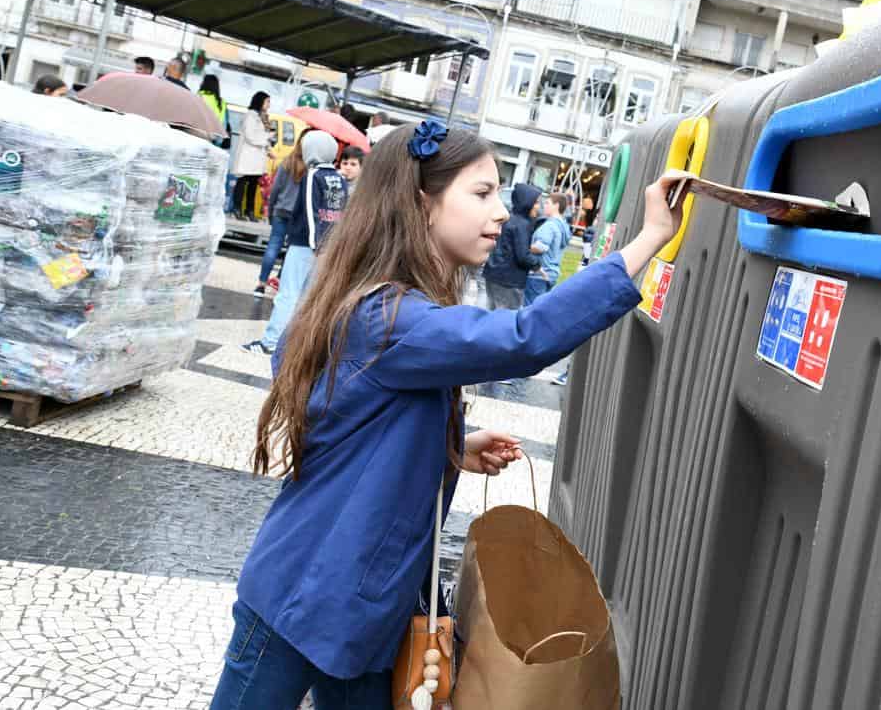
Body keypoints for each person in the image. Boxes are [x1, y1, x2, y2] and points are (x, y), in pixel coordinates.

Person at [211, 120, 683, 709]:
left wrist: (451, 444)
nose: (501, 213)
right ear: (421, 203)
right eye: (481, 193)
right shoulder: (390, 317)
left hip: (366, 604)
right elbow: (523, 338)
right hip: (305, 595)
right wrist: (650, 238)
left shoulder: (378, 304)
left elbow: (363, 420)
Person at [243, 131, 346, 357]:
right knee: (308, 297)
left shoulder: (313, 175)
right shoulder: (338, 178)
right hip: (328, 246)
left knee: (288, 294)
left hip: (305, 244)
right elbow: (341, 214)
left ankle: (271, 342)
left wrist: (314, 243)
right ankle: (294, 345)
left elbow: (310, 210)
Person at [480, 184, 541, 403]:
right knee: (507, 325)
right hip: (510, 280)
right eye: (536, 202)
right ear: (527, 202)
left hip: (493, 274)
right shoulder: (522, 224)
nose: (538, 206)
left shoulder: (508, 220)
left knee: (492, 319)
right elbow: (522, 256)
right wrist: (537, 263)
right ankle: (498, 368)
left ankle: (485, 361)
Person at [256, 130, 309, 296]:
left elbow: (275, 189)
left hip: (281, 211)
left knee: (273, 246)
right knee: (292, 250)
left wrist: (271, 210)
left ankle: (261, 284)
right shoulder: (311, 168)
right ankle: (280, 282)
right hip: (299, 215)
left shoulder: (287, 162)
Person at [230, 91, 273, 222]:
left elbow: (264, 135)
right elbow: (250, 136)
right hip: (248, 156)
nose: (269, 105)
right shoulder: (250, 116)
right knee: (242, 182)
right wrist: (266, 138)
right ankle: (237, 209)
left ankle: (250, 211)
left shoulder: (263, 117)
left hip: (257, 157)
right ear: (260, 101)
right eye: (267, 101)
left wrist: (268, 147)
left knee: (253, 185)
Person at [526, 193, 571, 305]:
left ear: (556, 205)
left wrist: (523, 248)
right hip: (551, 273)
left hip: (539, 274)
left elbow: (541, 247)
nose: (544, 206)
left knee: (530, 310)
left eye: (547, 203)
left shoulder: (550, 225)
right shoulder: (563, 225)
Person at [196, 74, 232, 149]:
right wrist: (218, 141)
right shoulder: (222, 102)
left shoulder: (200, 96)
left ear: (205, 83)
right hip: (214, 139)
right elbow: (224, 124)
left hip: (198, 136)